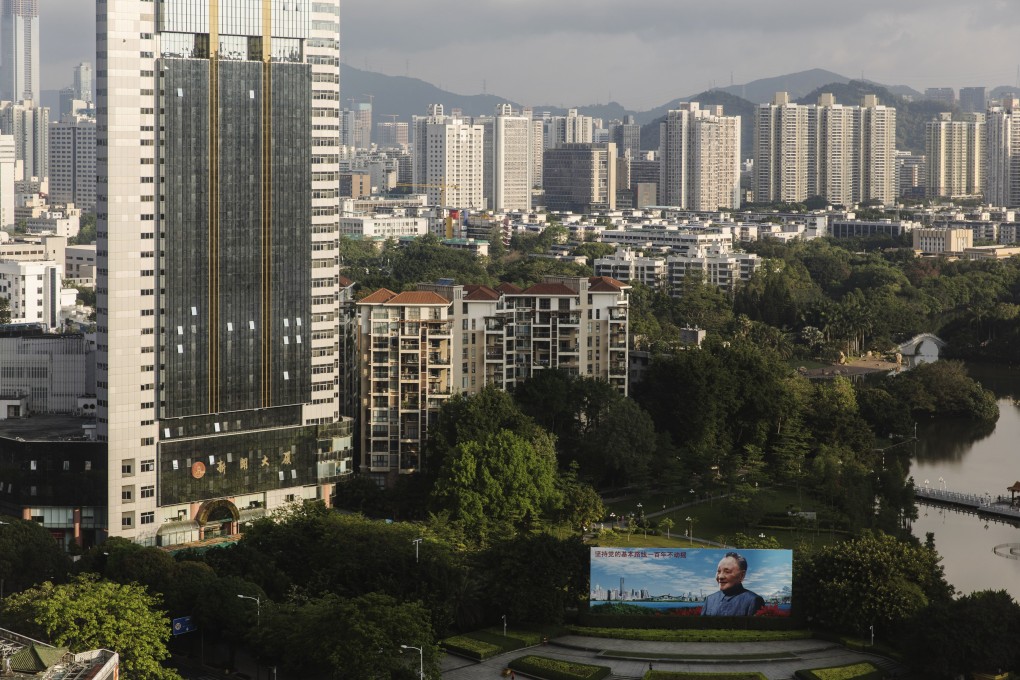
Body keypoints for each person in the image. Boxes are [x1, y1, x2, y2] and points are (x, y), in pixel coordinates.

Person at [700, 551, 765, 616]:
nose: (720, 576)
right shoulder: (710, 599)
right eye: (719, 571)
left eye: (727, 572)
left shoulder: (753, 600)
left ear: (742, 575)